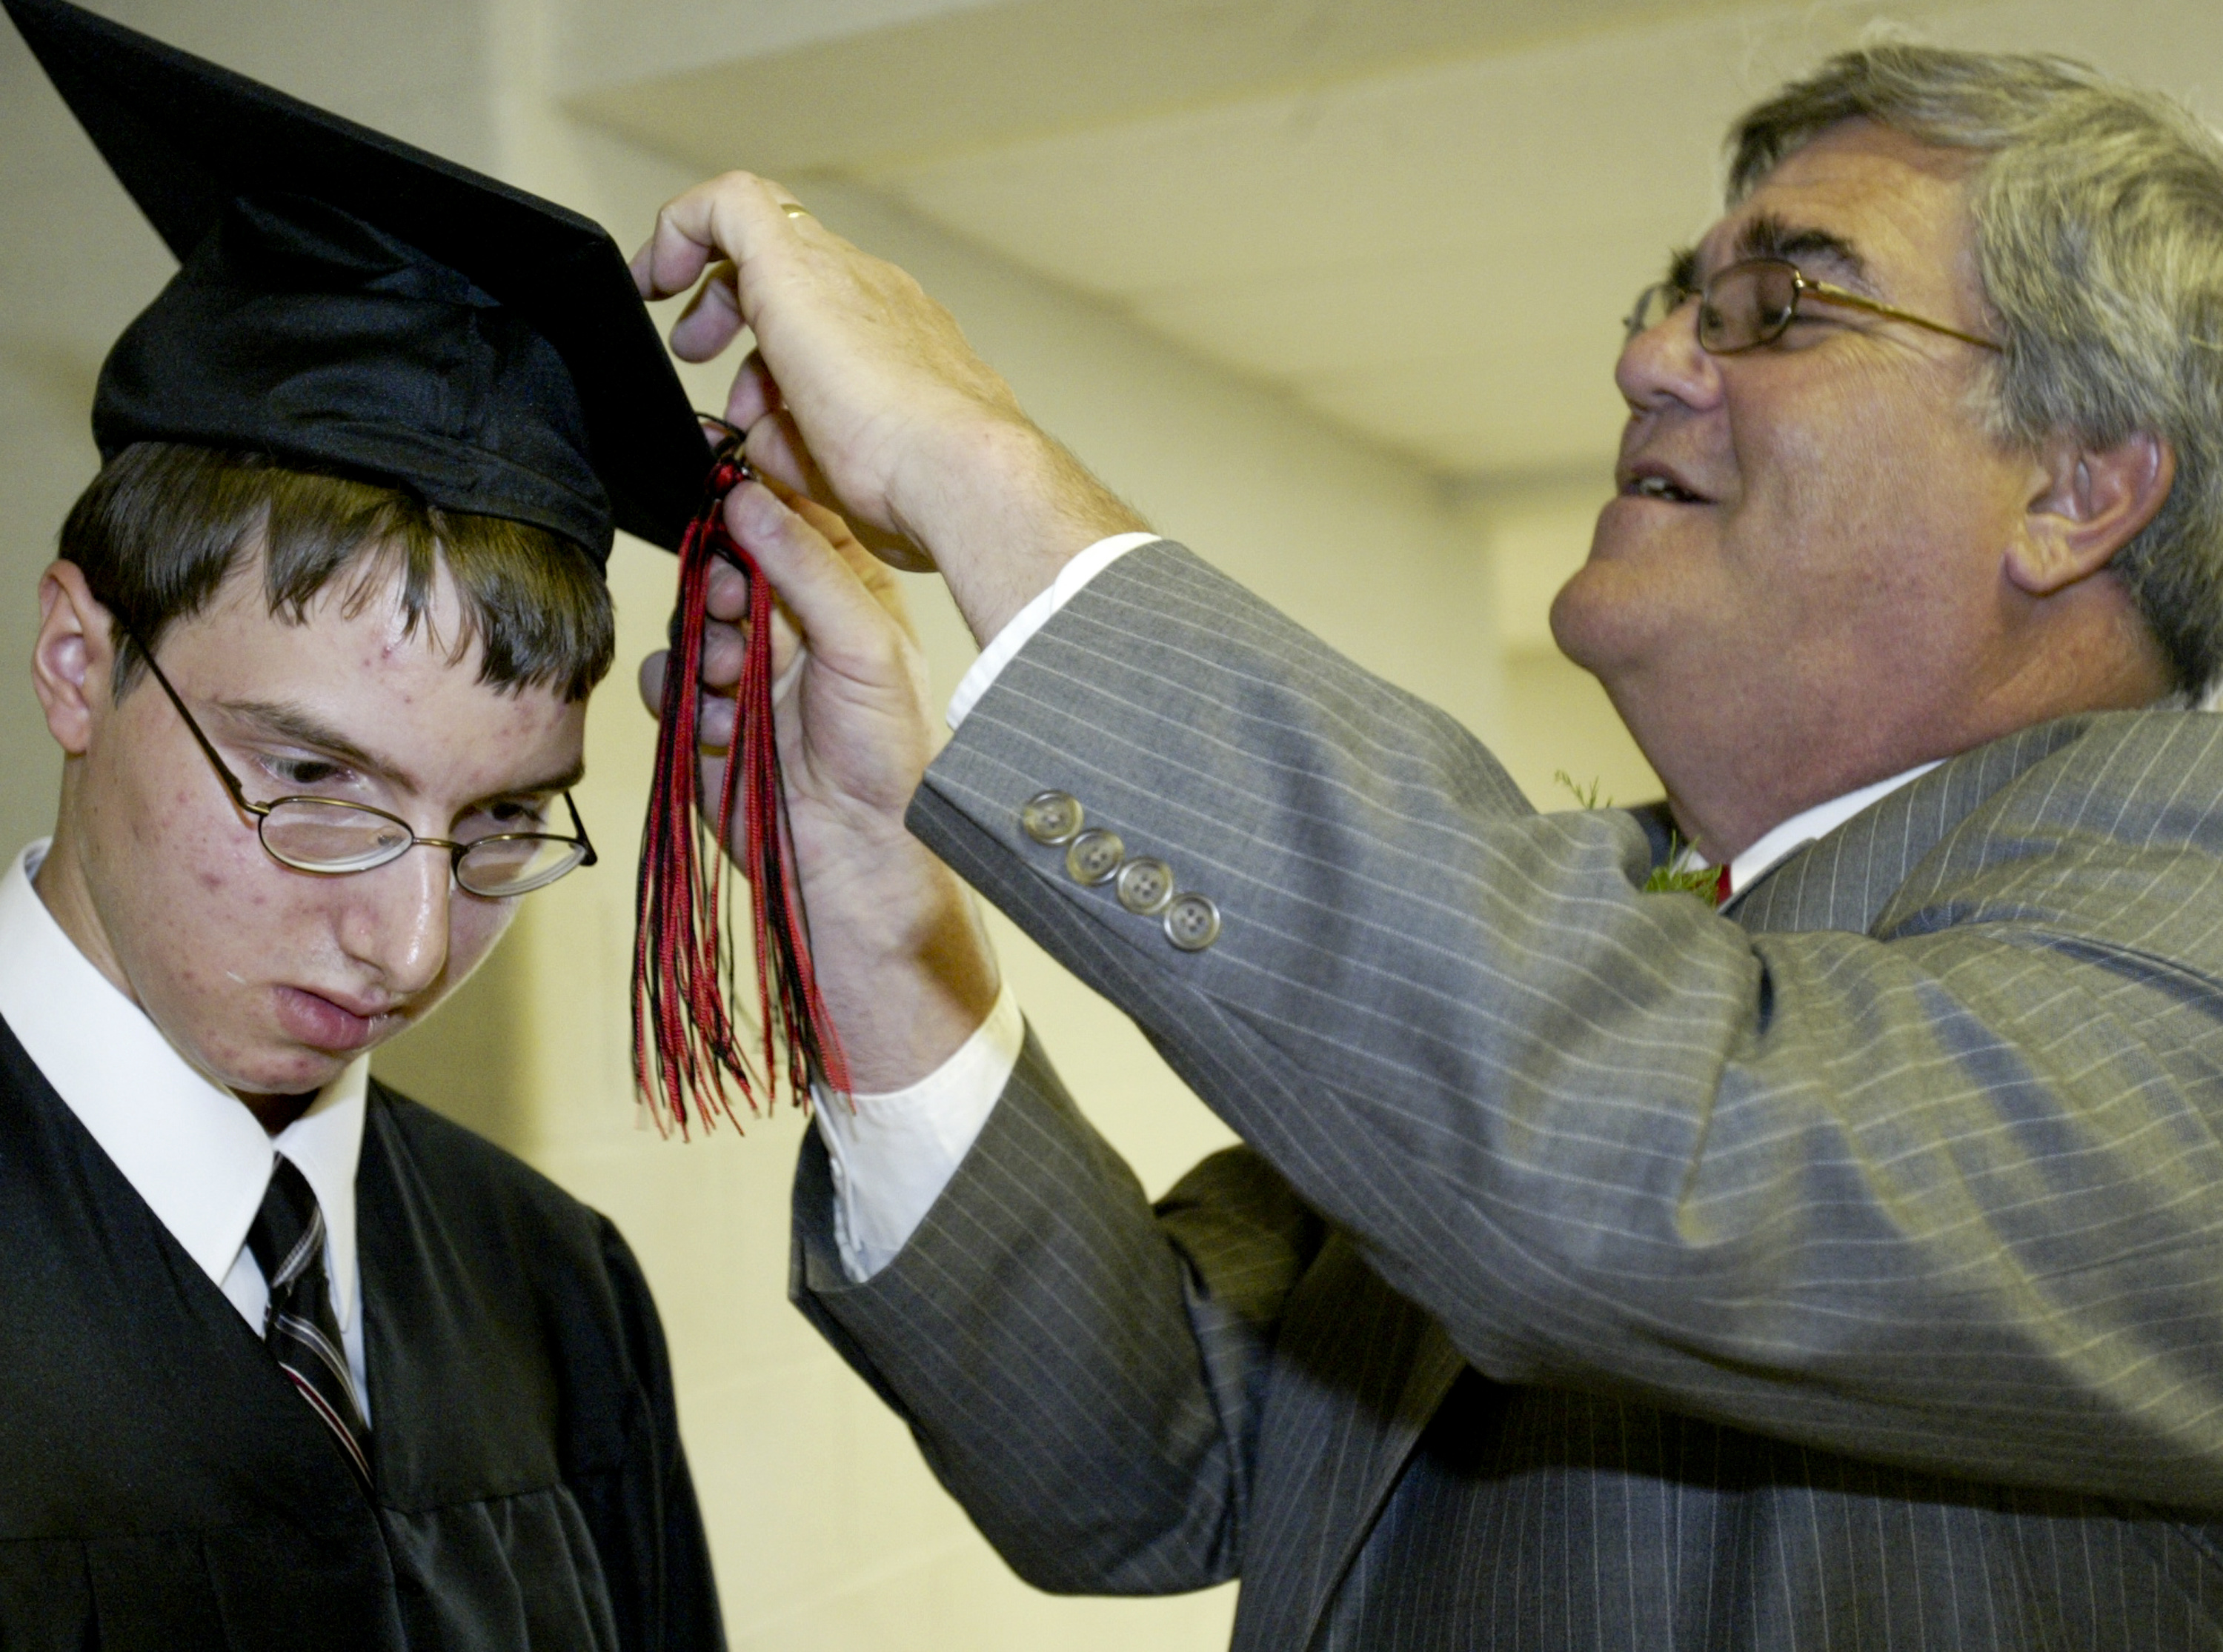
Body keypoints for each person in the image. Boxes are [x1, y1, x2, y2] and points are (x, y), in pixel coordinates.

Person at [633, 41, 2223, 1650]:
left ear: (2077, 490)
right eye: (1674, 300)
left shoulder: (2190, 910)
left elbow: (1642, 1152)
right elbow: (1138, 1455)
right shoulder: (1628, 922)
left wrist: (981, 471)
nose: (1655, 360)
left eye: (1780, 308)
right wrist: (864, 873)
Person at [0, 1, 722, 1645]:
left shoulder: (553, 1289)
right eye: (316, 781)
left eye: (498, 827)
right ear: (78, 658)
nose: (406, 946)